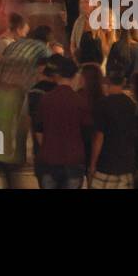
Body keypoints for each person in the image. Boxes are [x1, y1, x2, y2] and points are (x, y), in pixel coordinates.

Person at [35, 55, 91, 189]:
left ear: (57, 76)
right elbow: (87, 133)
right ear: (74, 76)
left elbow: (38, 130)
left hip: (49, 160)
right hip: (74, 161)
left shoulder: (45, 99)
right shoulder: (80, 102)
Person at [88, 58, 138, 189]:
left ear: (107, 81)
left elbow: (99, 136)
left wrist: (92, 164)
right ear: (124, 81)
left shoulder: (102, 104)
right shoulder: (131, 104)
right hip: (126, 163)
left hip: (106, 163)